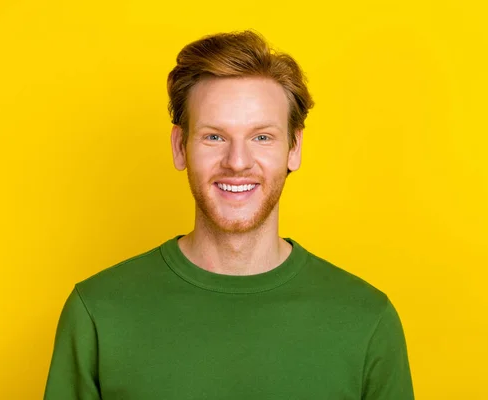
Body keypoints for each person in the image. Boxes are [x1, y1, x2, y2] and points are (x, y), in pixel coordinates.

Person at [44, 30, 414, 400]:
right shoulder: (97, 313)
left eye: (262, 137)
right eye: (214, 137)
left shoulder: (366, 320)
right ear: (179, 147)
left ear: (294, 148)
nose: (237, 162)